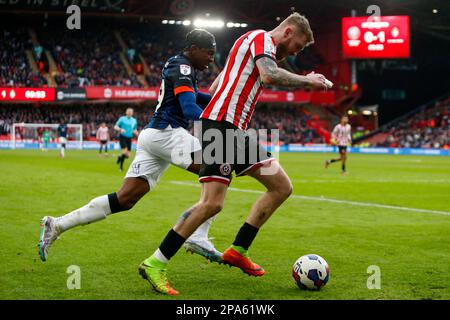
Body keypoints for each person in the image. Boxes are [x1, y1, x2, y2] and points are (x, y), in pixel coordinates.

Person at [138, 12, 331, 295]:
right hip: (221, 127)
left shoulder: (249, 45)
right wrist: (308, 80)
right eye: (298, 46)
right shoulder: (261, 39)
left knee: (280, 186)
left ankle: (238, 249)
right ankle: (156, 262)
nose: (296, 52)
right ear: (288, 32)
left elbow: (217, 85)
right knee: (211, 203)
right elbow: (268, 74)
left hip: (234, 130)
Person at [37, 29, 222, 265]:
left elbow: (195, 97)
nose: (211, 59)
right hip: (168, 133)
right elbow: (188, 109)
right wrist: (222, 124)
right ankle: (198, 236)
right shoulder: (183, 67)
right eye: (209, 53)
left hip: (153, 136)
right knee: (218, 166)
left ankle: (58, 224)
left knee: (125, 199)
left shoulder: (181, 66)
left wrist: (222, 102)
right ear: (194, 48)